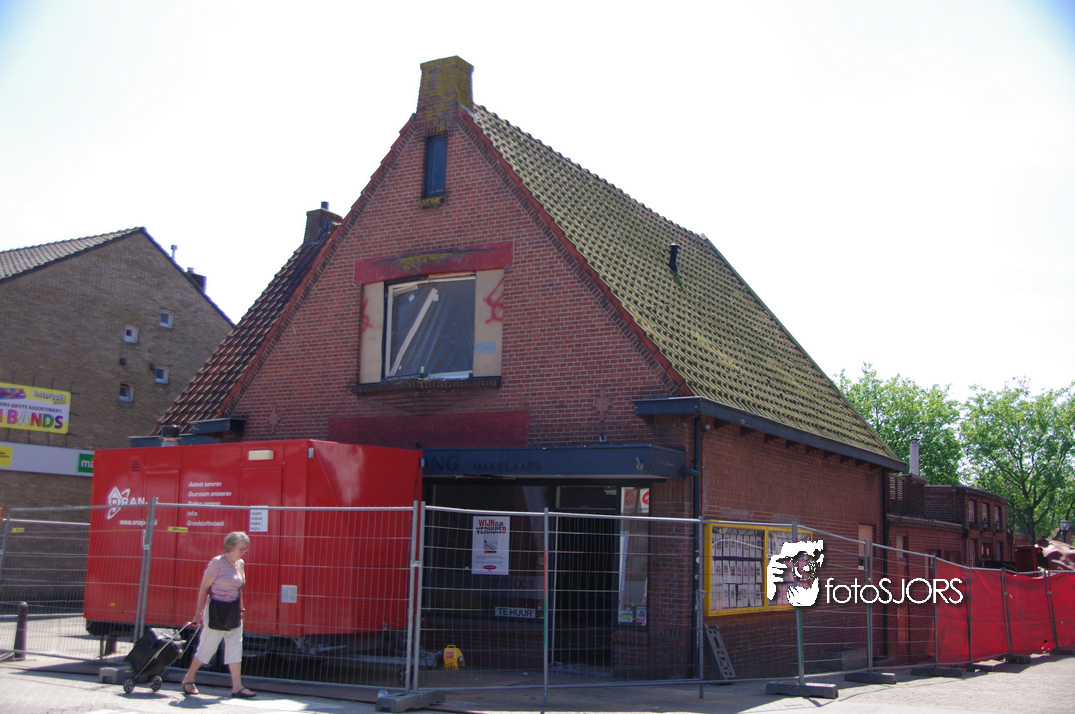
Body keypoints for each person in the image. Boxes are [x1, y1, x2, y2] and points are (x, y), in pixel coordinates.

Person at [180, 531, 255, 698]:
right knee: (209, 646)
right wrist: (198, 613)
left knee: (235, 646)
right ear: (231, 546)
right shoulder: (217, 563)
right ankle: (189, 678)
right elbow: (204, 588)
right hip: (216, 610)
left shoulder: (240, 564)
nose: (244, 552)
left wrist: (241, 609)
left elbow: (238, 588)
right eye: (241, 548)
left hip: (233, 611)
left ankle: (237, 687)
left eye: (246, 549)